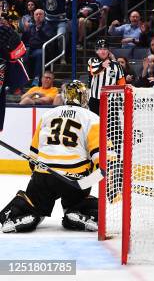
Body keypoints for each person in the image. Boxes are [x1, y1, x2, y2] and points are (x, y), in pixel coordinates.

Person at [0, 81, 99, 232]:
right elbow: (100, 158)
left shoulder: (48, 114)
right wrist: (89, 180)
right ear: (84, 97)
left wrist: (38, 177)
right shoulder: (92, 118)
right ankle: (74, 212)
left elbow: (33, 155)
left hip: (44, 174)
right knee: (79, 203)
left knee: (34, 204)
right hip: (75, 178)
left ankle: (28, 215)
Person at [87, 39, 125, 114]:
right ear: (96, 51)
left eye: (105, 49)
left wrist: (122, 100)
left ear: (108, 51)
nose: (103, 51)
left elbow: (121, 82)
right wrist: (102, 65)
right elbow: (93, 71)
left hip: (111, 101)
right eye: (100, 49)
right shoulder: (92, 61)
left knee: (113, 124)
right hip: (95, 100)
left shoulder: (116, 65)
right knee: (96, 124)